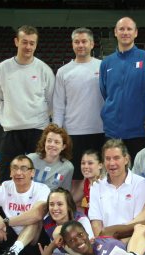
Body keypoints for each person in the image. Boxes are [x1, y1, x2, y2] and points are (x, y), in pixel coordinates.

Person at [0, 25, 55, 185]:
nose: (28, 46)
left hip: (38, 130)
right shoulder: (3, 68)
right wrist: (13, 115)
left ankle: (41, 209)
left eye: (32, 43)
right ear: (16, 42)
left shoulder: (44, 69)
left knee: (40, 179)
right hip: (12, 130)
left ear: (36, 44)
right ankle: (3, 209)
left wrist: (36, 117)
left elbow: (51, 102)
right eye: (24, 42)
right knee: (6, 177)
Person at [52, 27, 105, 187]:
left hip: (100, 130)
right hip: (73, 132)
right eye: (77, 42)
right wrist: (57, 133)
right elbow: (59, 105)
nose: (80, 45)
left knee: (99, 176)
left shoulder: (103, 67)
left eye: (84, 41)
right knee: (74, 176)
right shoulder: (63, 72)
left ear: (92, 44)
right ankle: (73, 209)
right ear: (72, 44)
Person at [100, 17, 145, 163]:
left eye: (129, 29)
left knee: (139, 176)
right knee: (114, 174)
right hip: (113, 131)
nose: (125, 32)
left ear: (136, 33)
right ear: (115, 32)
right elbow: (105, 91)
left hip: (139, 131)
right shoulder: (106, 63)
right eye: (121, 29)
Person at [89, 139, 145, 236]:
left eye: (116, 158)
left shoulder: (140, 183)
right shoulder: (96, 186)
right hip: (105, 241)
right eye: (108, 159)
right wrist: (103, 243)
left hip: (131, 238)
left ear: (126, 159)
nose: (112, 163)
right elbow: (96, 223)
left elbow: (138, 222)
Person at [42, 188, 94, 255]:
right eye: (51, 204)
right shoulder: (48, 223)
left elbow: (91, 249)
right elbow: (60, 253)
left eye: (60, 204)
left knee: (58, 232)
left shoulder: (81, 220)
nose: (55, 208)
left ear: (68, 206)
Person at [27, 123, 74, 191]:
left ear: (63, 147)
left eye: (57, 142)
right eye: (49, 141)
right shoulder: (30, 159)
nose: (52, 145)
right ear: (44, 143)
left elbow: (64, 193)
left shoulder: (67, 167)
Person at [71, 149, 103, 215]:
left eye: (90, 163)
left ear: (100, 165)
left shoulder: (105, 183)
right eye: (83, 163)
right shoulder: (86, 182)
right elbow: (72, 201)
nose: (85, 166)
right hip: (89, 218)